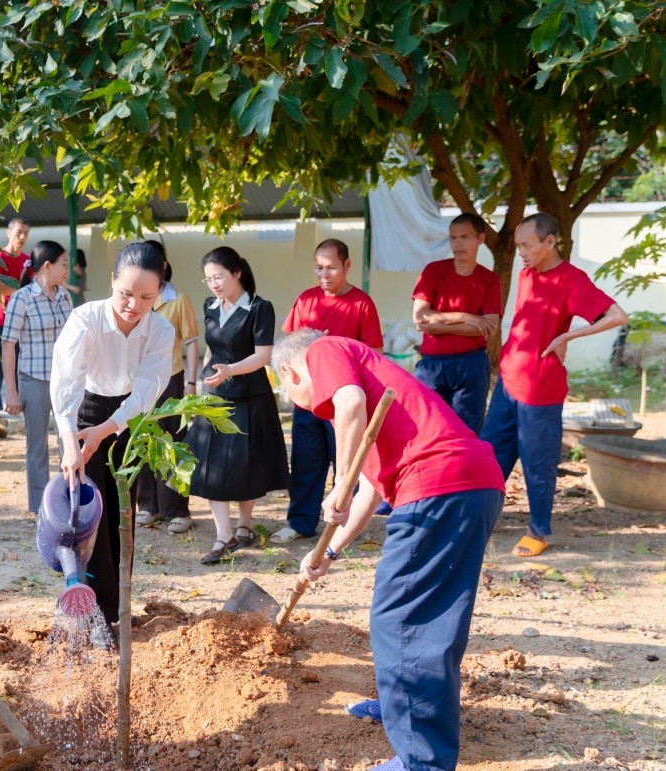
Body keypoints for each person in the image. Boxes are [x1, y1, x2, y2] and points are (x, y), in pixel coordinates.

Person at [272, 328, 505, 771]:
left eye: (287, 389)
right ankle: (407, 708)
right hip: (473, 484)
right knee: (431, 619)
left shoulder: (325, 350)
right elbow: (369, 491)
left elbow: (350, 405)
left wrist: (337, 482)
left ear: (289, 370)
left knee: (401, 620)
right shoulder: (375, 387)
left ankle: (422, 758)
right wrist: (329, 552)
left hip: (438, 487)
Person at [480, 213, 627, 557]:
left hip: (540, 390)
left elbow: (617, 315)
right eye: (518, 246)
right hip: (507, 382)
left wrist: (568, 334)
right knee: (488, 456)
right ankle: (478, 517)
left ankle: (538, 531)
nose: (521, 252)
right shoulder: (527, 274)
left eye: (527, 245)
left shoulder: (572, 280)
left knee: (538, 463)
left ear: (550, 242)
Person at [51, 242, 174, 647]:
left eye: (146, 297)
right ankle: (90, 614)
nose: (133, 305)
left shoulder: (160, 330)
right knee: (87, 516)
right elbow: (64, 386)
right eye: (126, 293)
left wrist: (109, 429)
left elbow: (146, 393)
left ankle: (117, 607)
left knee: (122, 515)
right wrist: (71, 442)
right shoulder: (85, 319)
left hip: (128, 423)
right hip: (83, 415)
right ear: (112, 282)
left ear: (159, 293)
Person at [273, 238, 383, 544]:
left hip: (345, 402)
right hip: (308, 400)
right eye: (319, 268)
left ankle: (347, 526)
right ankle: (300, 522)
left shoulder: (362, 303)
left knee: (346, 464)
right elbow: (288, 346)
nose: (324, 274)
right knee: (306, 461)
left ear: (347, 265)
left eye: (331, 267)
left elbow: (374, 352)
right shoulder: (306, 299)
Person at [185, 247, 288, 564]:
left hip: (250, 396)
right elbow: (210, 349)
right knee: (210, 465)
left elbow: (262, 355)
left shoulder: (259, 308)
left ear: (237, 272)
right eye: (208, 279)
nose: (213, 284)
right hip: (215, 395)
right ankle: (223, 534)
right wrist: (204, 380)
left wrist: (230, 370)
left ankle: (244, 525)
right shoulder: (210, 306)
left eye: (219, 277)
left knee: (248, 464)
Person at [1, 240, 74, 515]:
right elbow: (8, 344)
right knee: (37, 446)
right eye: (63, 263)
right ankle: (41, 508)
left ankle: (66, 501)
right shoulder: (22, 299)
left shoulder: (66, 297)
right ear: (47, 266)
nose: (67, 269)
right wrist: (11, 390)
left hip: (65, 381)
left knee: (67, 441)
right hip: (33, 379)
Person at [411, 213, 501, 434]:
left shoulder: (489, 280)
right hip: (432, 365)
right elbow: (420, 316)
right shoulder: (433, 271)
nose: (457, 244)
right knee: (427, 429)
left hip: (471, 364)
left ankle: (464, 470)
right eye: (453, 238)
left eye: (464, 237)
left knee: (467, 432)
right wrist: (467, 317)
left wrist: (437, 326)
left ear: (480, 238)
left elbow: (489, 326)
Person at [134, 240, 200, 534]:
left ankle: (177, 510)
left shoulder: (178, 299)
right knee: (143, 441)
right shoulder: (133, 298)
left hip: (171, 378)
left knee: (173, 443)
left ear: (162, 266)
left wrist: (191, 382)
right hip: (139, 379)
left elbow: (191, 342)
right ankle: (148, 505)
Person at [0, 217, 31, 415]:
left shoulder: (28, 260)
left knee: (21, 364)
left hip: (22, 321)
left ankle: (17, 405)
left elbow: (33, 287)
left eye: (25, 233)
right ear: (8, 232)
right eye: (18, 232)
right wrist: (21, 288)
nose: (21, 237)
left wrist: (13, 287)